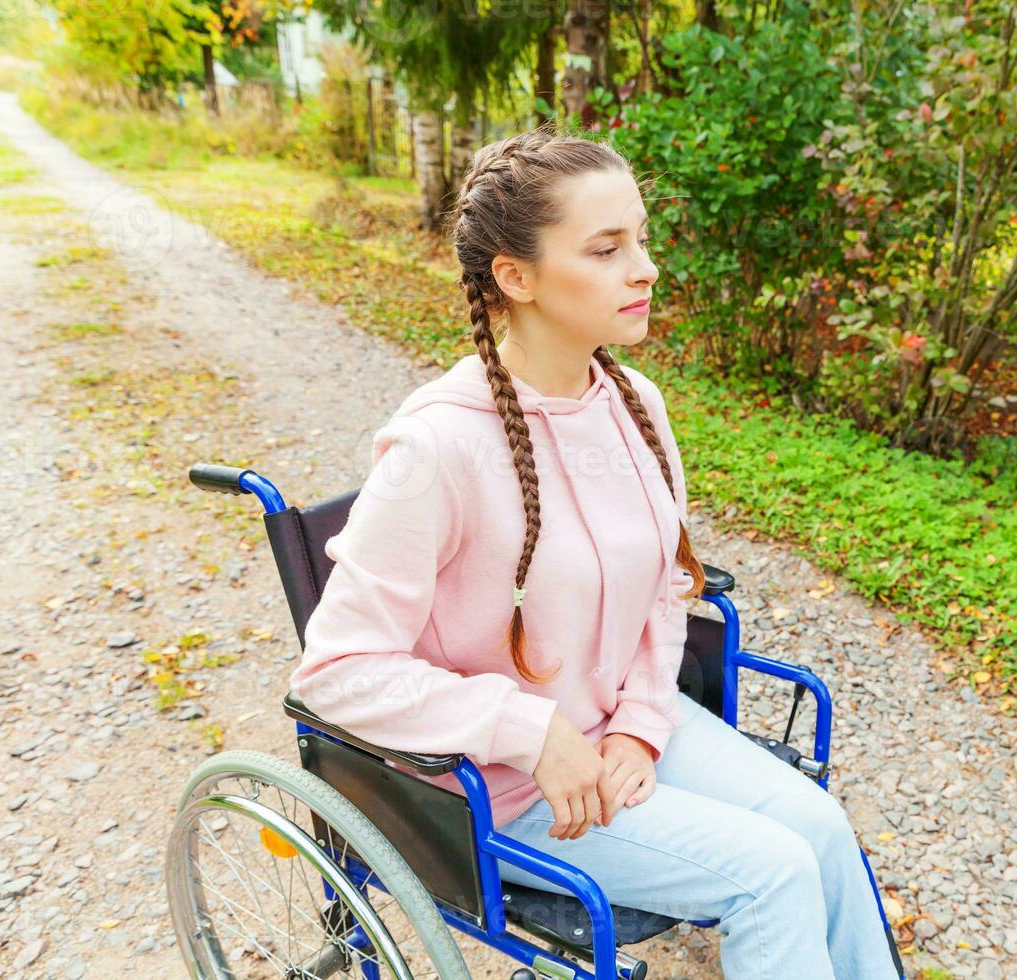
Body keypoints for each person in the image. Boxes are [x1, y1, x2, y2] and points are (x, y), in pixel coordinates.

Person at [287, 123, 899, 978]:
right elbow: (336, 673)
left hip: (625, 728)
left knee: (823, 833)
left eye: (640, 239)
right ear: (516, 276)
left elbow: (659, 593)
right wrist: (528, 727)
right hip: (506, 784)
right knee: (773, 874)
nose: (645, 267)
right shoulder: (436, 451)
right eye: (607, 248)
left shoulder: (634, 401)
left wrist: (642, 731)